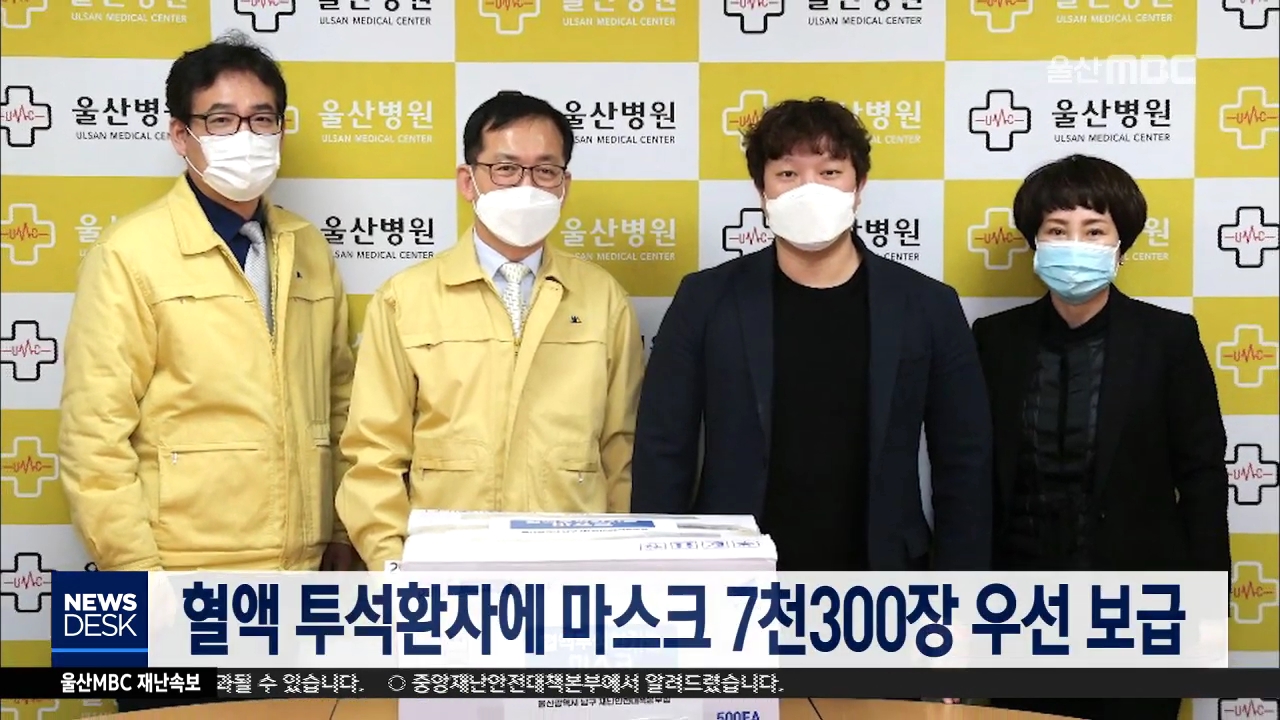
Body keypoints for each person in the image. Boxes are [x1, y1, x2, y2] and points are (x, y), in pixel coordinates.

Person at [59, 32, 357, 712]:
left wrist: (343, 533)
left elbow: (340, 403)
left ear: (281, 129)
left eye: (261, 118)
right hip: (174, 583)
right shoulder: (130, 253)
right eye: (221, 120)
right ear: (181, 135)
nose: (244, 136)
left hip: (299, 583)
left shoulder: (307, 248)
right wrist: (138, 579)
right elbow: (92, 438)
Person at [631, 98, 992, 572]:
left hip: (884, 574)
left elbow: (964, 458)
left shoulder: (927, 305)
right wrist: (659, 574)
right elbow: (663, 446)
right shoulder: (706, 298)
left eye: (829, 173)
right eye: (787, 174)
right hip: (732, 572)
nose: (809, 190)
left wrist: (961, 587)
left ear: (859, 186)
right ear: (761, 189)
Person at [336, 91, 644, 571]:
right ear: (468, 181)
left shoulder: (603, 299)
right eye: (506, 169)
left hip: (571, 572)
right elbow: (374, 454)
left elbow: (620, 453)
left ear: (565, 184)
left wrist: (614, 563)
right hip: (441, 572)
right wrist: (393, 566)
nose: (527, 185)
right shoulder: (406, 299)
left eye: (545, 171)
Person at [976, 155, 1230, 720]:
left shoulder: (1168, 338)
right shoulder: (994, 340)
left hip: (1142, 608)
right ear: (1034, 242)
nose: (1075, 244)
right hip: (1021, 608)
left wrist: (1208, 605)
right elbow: (971, 476)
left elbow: (1203, 477)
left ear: (1121, 243)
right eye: (1056, 229)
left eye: (1094, 231)